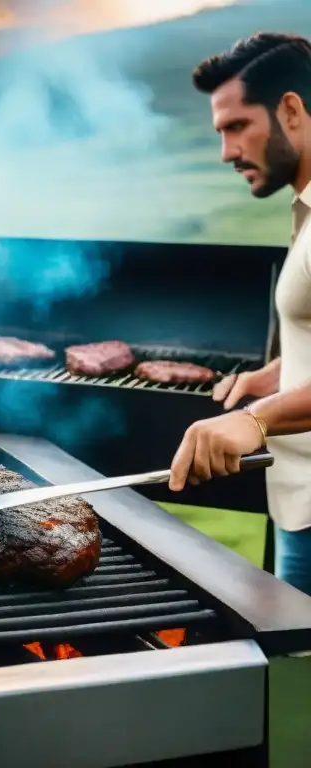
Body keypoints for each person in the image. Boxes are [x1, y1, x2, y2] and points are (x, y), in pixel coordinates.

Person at [168, 32, 311, 594]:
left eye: (236, 126)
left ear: (291, 110)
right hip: (298, 506)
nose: (226, 152)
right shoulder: (306, 208)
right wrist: (274, 375)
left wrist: (254, 419)